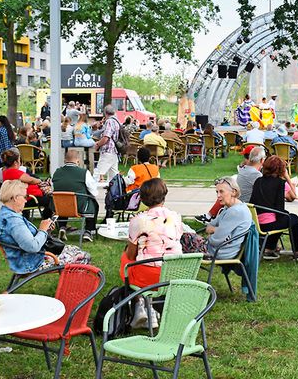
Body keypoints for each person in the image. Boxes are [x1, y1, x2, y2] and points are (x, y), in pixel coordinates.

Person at [120, 178, 183, 329]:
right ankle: (151, 308)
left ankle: (139, 304)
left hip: (149, 275)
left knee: (125, 259)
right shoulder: (175, 217)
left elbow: (131, 255)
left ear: (142, 198)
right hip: (176, 272)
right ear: (164, 195)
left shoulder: (138, 220)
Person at [0, 180, 90, 274]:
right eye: (25, 196)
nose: (26, 200)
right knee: (82, 256)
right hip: (31, 263)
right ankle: (75, 288)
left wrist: (45, 230)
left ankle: (70, 286)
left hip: (22, 260)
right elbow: (32, 247)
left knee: (75, 250)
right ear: (15, 198)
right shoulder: (14, 221)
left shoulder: (2, 215)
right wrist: (42, 230)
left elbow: (23, 239)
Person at [249, 156, 298, 261]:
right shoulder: (279, 183)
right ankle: (297, 251)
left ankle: (269, 249)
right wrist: (287, 177)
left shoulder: (258, 181)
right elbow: (293, 196)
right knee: (294, 219)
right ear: (281, 169)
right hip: (270, 224)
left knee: (284, 217)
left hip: (257, 221)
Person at [194, 177, 252, 259]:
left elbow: (216, 240)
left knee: (184, 239)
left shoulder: (235, 211)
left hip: (219, 252)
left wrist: (212, 233)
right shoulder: (229, 208)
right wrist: (216, 230)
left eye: (221, 192)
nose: (218, 195)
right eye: (217, 192)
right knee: (184, 238)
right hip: (219, 249)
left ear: (233, 192)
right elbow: (210, 225)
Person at [52, 149, 100, 243]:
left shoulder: (57, 172)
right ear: (78, 160)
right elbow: (94, 191)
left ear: (65, 160)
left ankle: (62, 227)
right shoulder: (84, 173)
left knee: (63, 199)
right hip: (79, 207)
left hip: (60, 207)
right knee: (93, 203)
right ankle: (88, 231)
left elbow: (53, 188)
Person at [0, 148, 53, 219]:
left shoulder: (6, 171)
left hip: (26, 196)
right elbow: (31, 180)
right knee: (51, 200)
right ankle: (46, 219)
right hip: (29, 198)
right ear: (15, 162)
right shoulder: (13, 172)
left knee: (49, 198)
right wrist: (39, 181)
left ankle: (44, 217)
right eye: (19, 160)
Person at [94, 104, 121, 183]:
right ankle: (115, 192)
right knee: (113, 175)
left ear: (105, 113)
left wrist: (98, 144)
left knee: (98, 173)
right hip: (115, 151)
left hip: (108, 150)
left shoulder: (109, 121)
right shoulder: (117, 121)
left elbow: (106, 137)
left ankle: (91, 191)